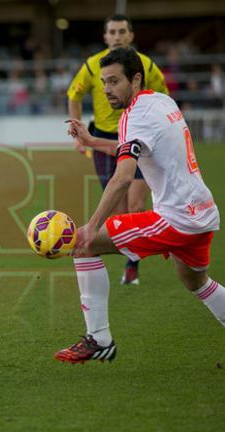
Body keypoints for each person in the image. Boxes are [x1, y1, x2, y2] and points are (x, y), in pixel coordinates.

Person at [59, 47, 223, 364]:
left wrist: (92, 226)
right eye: (104, 82)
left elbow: (122, 177)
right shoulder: (160, 102)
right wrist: (92, 142)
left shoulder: (136, 117)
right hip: (202, 212)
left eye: (114, 81)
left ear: (135, 79)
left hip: (176, 219)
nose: (107, 90)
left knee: (82, 244)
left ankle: (99, 340)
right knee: (197, 283)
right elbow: (137, 147)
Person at [67, 14, 169, 285]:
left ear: (131, 36)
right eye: (112, 31)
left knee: (136, 203)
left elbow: (164, 94)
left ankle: (133, 264)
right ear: (105, 36)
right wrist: (79, 135)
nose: (117, 36)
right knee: (120, 209)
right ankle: (137, 249)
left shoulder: (145, 65)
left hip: (138, 136)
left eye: (122, 31)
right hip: (104, 138)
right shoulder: (92, 66)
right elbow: (73, 94)